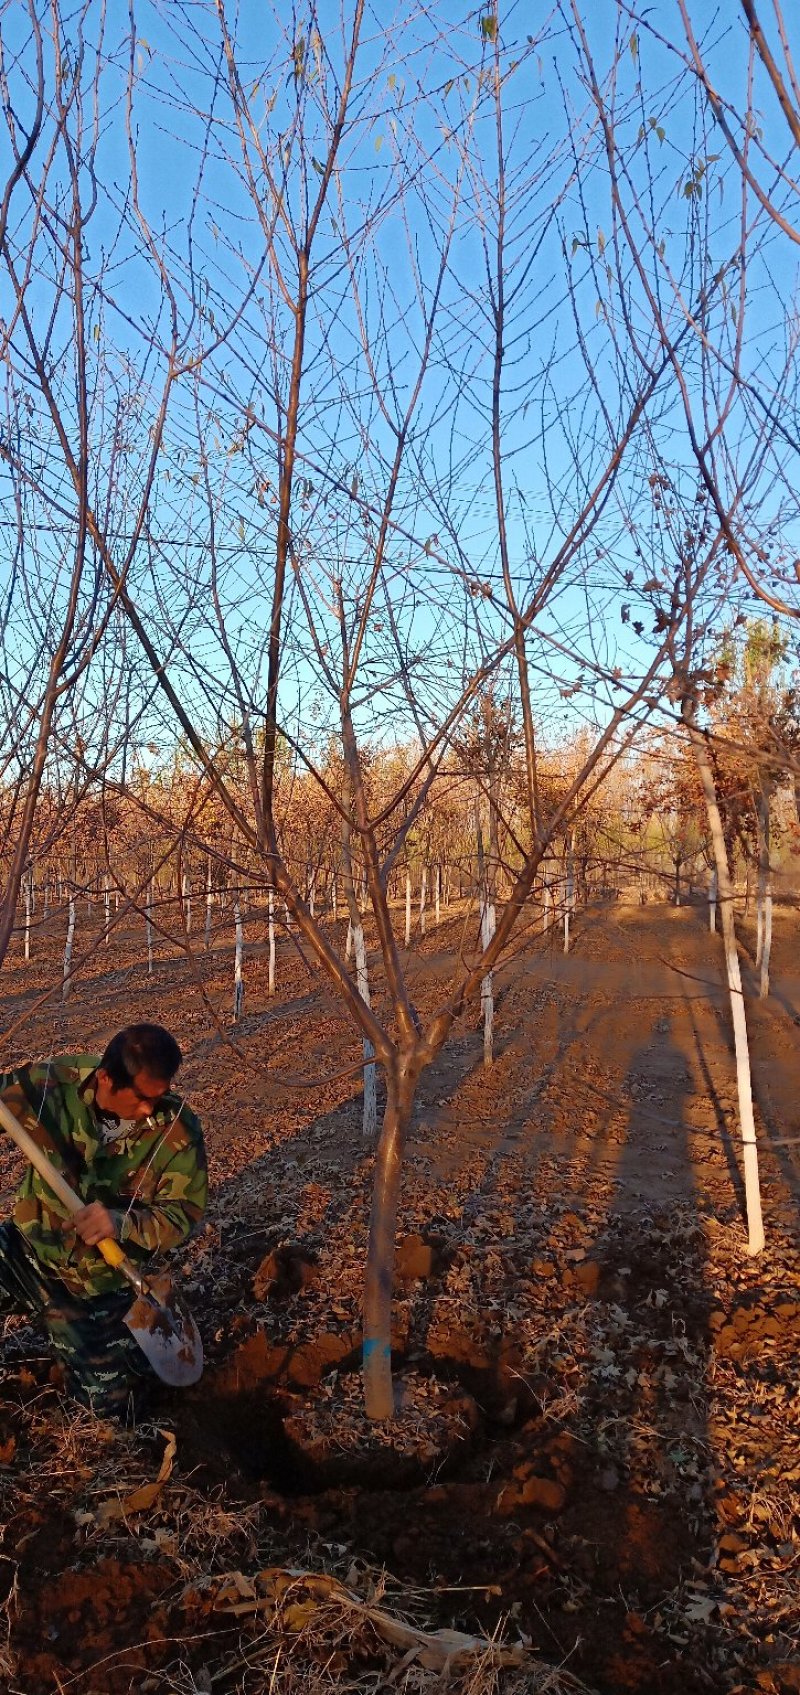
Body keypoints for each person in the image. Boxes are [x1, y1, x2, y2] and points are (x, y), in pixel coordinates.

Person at [0, 1023, 207, 1419]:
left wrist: (121, 1223)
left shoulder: (177, 1130)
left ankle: (95, 1348)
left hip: (99, 1284)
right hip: (28, 1250)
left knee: (108, 1410)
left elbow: (183, 1213)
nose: (150, 1109)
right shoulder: (52, 1088)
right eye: (143, 1097)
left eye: (159, 1096)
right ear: (106, 1078)